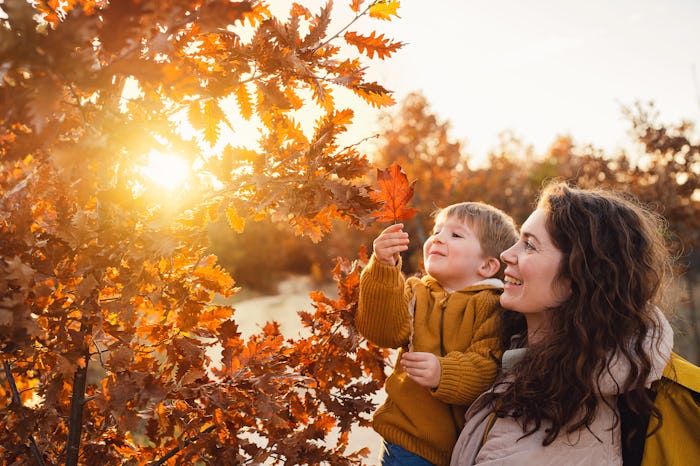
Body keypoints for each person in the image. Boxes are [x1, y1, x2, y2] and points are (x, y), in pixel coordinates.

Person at [450, 182, 675, 466]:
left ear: (578, 277)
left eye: (529, 245)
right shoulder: (531, 365)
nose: (507, 254)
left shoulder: (570, 415)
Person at [355, 202, 519, 466]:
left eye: (455, 235)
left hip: (467, 448)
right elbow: (382, 331)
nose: (438, 239)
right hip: (407, 441)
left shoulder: (493, 305)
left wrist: (443, 373)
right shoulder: (416, 293)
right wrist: (384, 267)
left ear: (487, 266)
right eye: (437, 230)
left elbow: (488, 367)